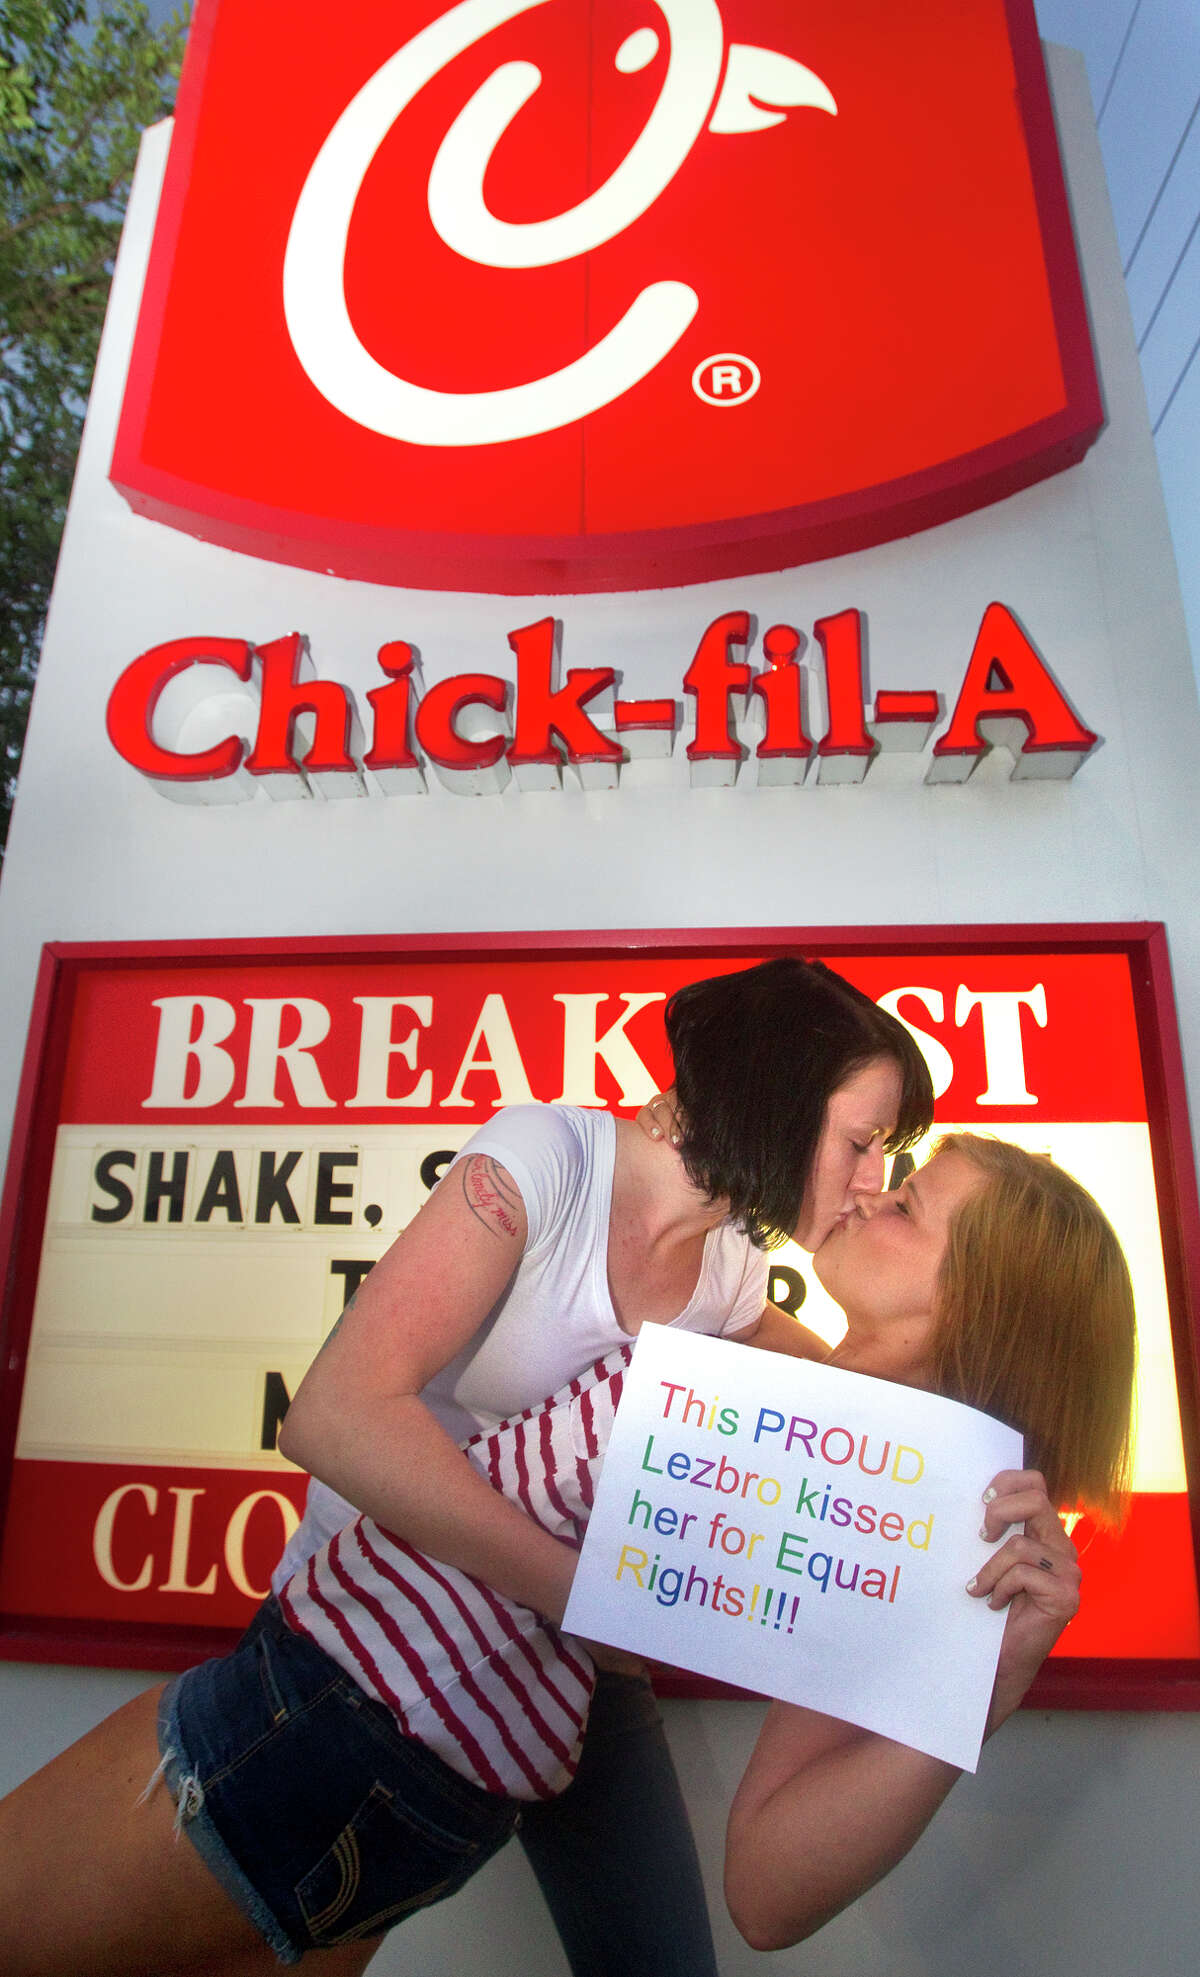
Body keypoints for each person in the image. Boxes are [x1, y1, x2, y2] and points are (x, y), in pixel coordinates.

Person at [0, 958, 934, 1976]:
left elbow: (847, 1401)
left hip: (558, 1677)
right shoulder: (546, 1157)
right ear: (778, 1092)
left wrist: (972, 1457)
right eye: (862, 1142)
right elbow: (335, 1418)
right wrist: (588, 1594)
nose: (871, 1180)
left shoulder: (731, 1269)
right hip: (378, 1664)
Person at [723, 1132, 1136, 1951]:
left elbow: (764, 1893)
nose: (870, 1195)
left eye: (906, 1207)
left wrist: (981, 1697)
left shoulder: (918, 1539)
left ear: (971, 1303)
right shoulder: (746, 1343)